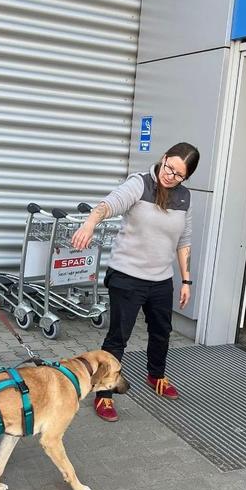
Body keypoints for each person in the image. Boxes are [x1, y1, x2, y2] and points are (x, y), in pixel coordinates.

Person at [71, 142, 199, 422]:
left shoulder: (184, 198)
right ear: (163, 159)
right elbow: (109, 204)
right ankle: (103, 393)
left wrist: (186, 280)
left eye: (179, 174)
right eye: (169, 167)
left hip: (161, 279)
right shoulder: (139, 184)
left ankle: (157, 376)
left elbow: (184, 240)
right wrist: (90, 223)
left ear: (186, 178)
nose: (170, 176)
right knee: (118, 337)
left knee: (161, 332)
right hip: (127, 276)